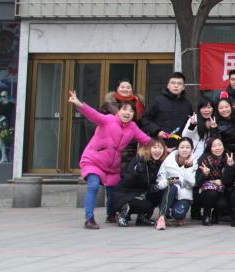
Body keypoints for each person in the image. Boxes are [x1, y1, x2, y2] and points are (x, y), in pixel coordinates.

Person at [69, 90, 152, 229]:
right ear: (118, 111)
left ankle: (111, 214)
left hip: (112, 167)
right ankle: (89, 219)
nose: (128, 113)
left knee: (114, 191)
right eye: (125, 109)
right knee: (94, 186)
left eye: (131, 111)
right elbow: (92, 114)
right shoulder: (108, 120)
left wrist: (164, 148)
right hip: (93, 161)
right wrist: (78, 103)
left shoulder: (132, 127)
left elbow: (147, 140)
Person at [114, 139, 167, 226]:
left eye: (160, 148)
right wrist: (136, 172)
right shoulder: (140, 160)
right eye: (154, 147)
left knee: (158, 193)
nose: (158, 150)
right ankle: (122, 213)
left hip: (142, 193)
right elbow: (127, 180)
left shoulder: (159, 163)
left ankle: (143, 217)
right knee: (144, 203)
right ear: (148, 148)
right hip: (126, 195)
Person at [140, 72, 193, 147]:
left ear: (183, 87)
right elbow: (145, 119)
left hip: (180, 146)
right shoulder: (157, 100)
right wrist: (157, 131)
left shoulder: (187, 104)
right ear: (168, 85)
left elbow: (189, 124)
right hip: (159, 145)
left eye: (179, 83)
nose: (176, 86)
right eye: (173, 83)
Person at [155, 137, 197, 229]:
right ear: (178, 148)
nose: (184, 150)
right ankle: (162, 217)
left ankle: (174, 213)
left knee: (178, 214)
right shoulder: (168, 161)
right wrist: (168, 181)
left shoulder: (194, 162)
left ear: (191, 149)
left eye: (188, 147)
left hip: (184, 194)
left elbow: (192, 183)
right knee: (172, 187)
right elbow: (159, 182)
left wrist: (188, 168)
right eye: (182, 147)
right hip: (167, 191)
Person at [196, 137, 231, 226]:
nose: (217, 148)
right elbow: (198, 182)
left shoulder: (229, 158)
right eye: (214, 146)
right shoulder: (204, 159)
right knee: (212, 193)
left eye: (219, 145)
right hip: (206, 191)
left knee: (223, 204)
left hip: (224, 189)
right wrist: (205, 174)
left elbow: (231, 178)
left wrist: (229, 168)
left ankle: (216, 214)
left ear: (223, 146)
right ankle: (206, 216)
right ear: (210, 148)